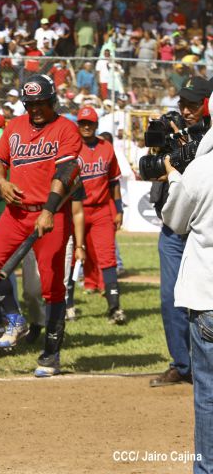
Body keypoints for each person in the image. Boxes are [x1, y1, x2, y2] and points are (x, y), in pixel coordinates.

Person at [0, 74, 83, 377]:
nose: (36, 108)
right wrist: (1, 181)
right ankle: (14, 318)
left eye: (41, 102)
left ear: (52, 100)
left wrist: (49, 210)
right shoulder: (13, 127)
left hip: (50, 213)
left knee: (52, 286)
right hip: (16, 212)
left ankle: (51, 354)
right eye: (31, 103)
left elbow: (65, 171)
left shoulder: (65, 128)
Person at [149, 76, 211, 387]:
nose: (185, 110)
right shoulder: (174, 131)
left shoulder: (208, 138)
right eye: (182, 103)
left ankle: (202, 367)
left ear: (207, 105)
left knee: (203, 302)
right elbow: (152, 167)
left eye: (192, 104)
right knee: (170, 297)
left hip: (200, 225)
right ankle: (181, 365)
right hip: (172, 227)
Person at [161, 114, 213, 474]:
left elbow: (175, 221)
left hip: (207, 296)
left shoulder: (201, 170)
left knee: (208, 394)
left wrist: (175, 176)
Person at [71, 106, 126, 324]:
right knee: (71, 258)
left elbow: (114, 182)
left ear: (96, 125)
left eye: (90, 123)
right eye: (82, 122)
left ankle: (115, 308)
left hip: (102, 209)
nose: (86, 126)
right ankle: (67, 305)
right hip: (76, 210)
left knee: (108, 257)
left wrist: (119, 209)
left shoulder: (106, 148)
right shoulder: (71, 147)